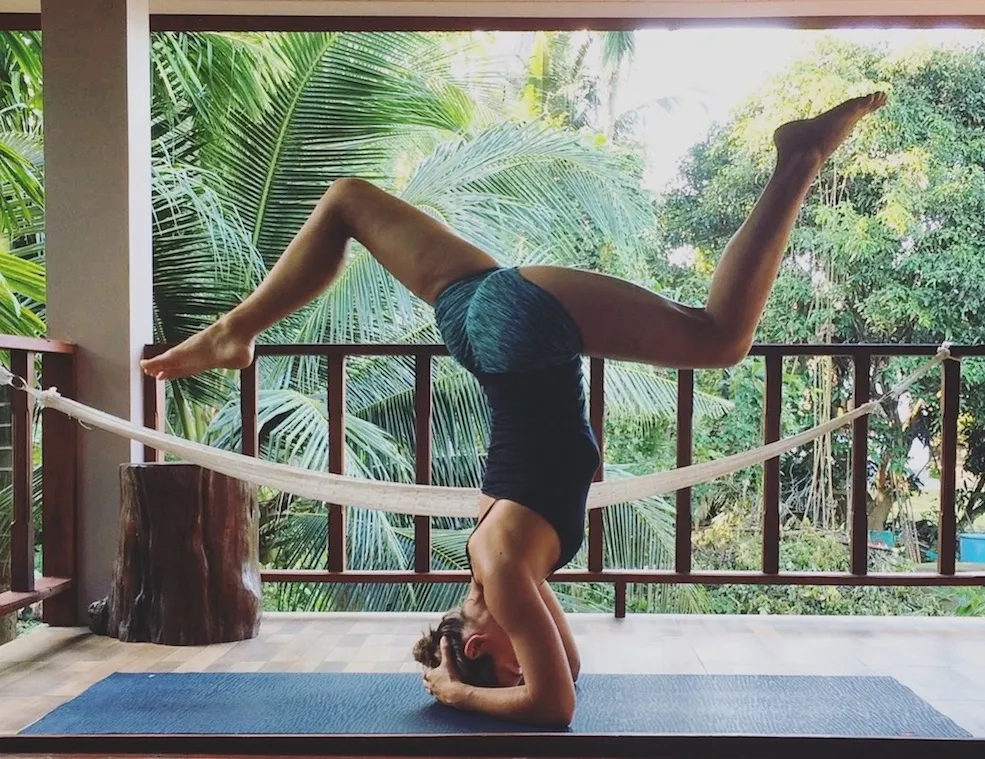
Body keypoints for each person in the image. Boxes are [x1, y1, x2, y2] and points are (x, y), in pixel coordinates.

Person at [141, 92, 888, 727]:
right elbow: (568, 667)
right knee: (346, 200)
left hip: (523, 329)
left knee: (719, 337)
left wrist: (462, 692)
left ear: (475, 644)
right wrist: (479, 674)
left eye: (504, 658)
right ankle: (236, 331)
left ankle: (800, 157)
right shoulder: (501, 564)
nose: (525, 655)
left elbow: (554, 703)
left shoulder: (500, 565)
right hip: (477, 324)